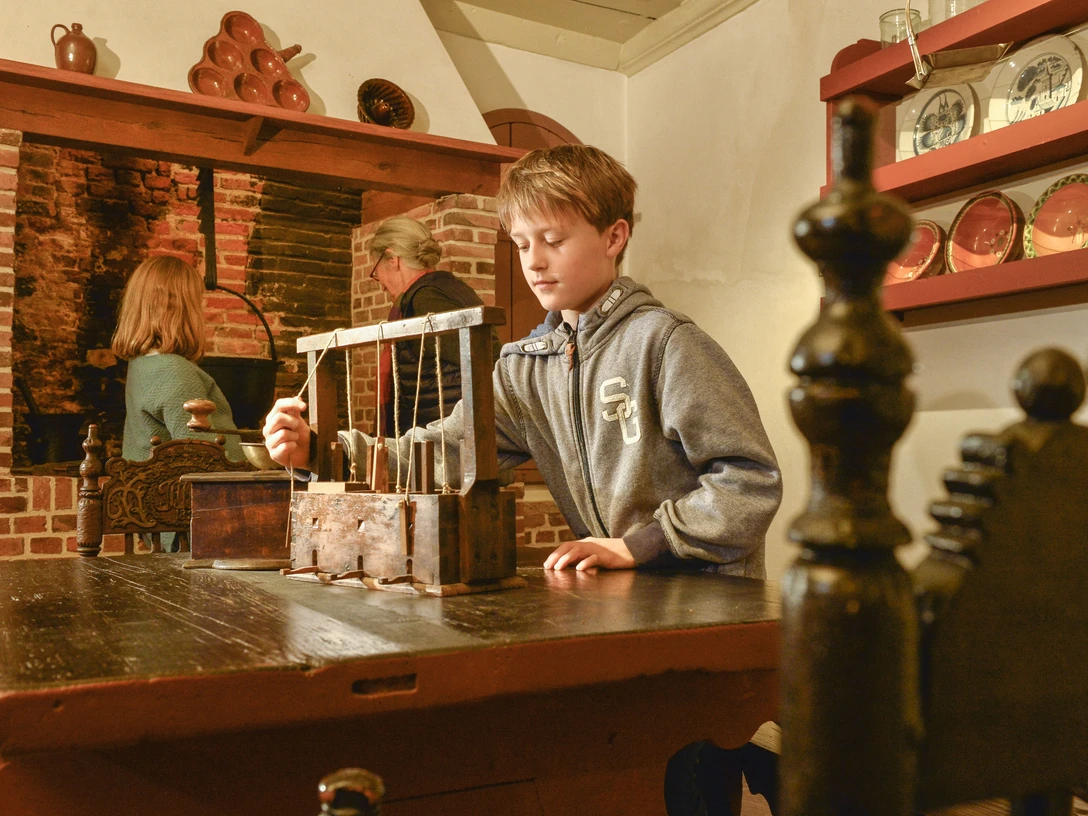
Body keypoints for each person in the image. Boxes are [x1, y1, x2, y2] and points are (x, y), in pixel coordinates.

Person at [264, 144, 781, 577]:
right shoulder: (523, 369)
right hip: (624, 596)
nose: (534, 261)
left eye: (554, 240)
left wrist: (638, 545)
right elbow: (446, 452)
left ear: (614, 236)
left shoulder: (666, 344)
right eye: (521, 244)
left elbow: (749, 482)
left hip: (708, 593)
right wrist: (321, 451)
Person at [367, 216, 494, 433]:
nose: (381, 286)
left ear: (391, 258)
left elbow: (484, 363)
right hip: (450, 434)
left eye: (375, 273)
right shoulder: (445, 289)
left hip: (448, 441)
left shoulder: (426, 299)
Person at [112, 255, 243, 464]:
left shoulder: (144, 364)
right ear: (181, 309)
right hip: (180, 495)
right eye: (197, 301)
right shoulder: (174, 371)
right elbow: (210, 462)